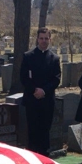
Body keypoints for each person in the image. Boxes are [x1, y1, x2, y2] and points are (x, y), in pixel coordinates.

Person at [20, 27, 61, 156]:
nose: (43, 41)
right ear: (37, 39)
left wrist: (43, 91)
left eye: (46, 38)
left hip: (47, 100)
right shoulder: (28, 56)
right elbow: (23, 77)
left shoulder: (54, 58)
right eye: (41, 38)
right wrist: (34, 90)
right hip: (32, 99)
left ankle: (44, 158)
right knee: (32, 130)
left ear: (50, 39)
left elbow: (56, 79)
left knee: (45, 131)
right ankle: (32, 158)